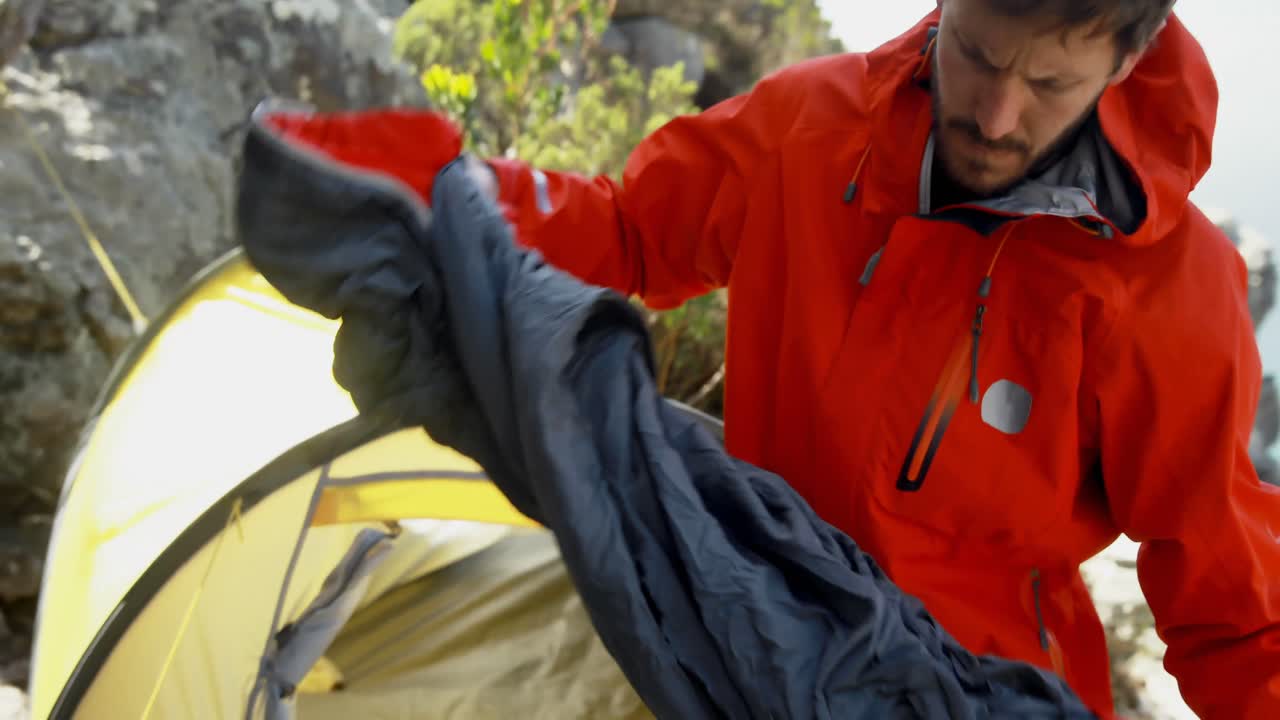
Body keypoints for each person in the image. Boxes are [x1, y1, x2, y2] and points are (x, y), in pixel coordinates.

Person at [462, 1, 1280, 717]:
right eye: (977, 56)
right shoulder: (812, 125)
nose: (996, 116)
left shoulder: (1174, 287)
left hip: (975, 689)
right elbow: (629, 233)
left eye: (1049, 86)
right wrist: (447, 193)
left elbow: (1235, 611)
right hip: (745, 630)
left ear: (1127, 60)